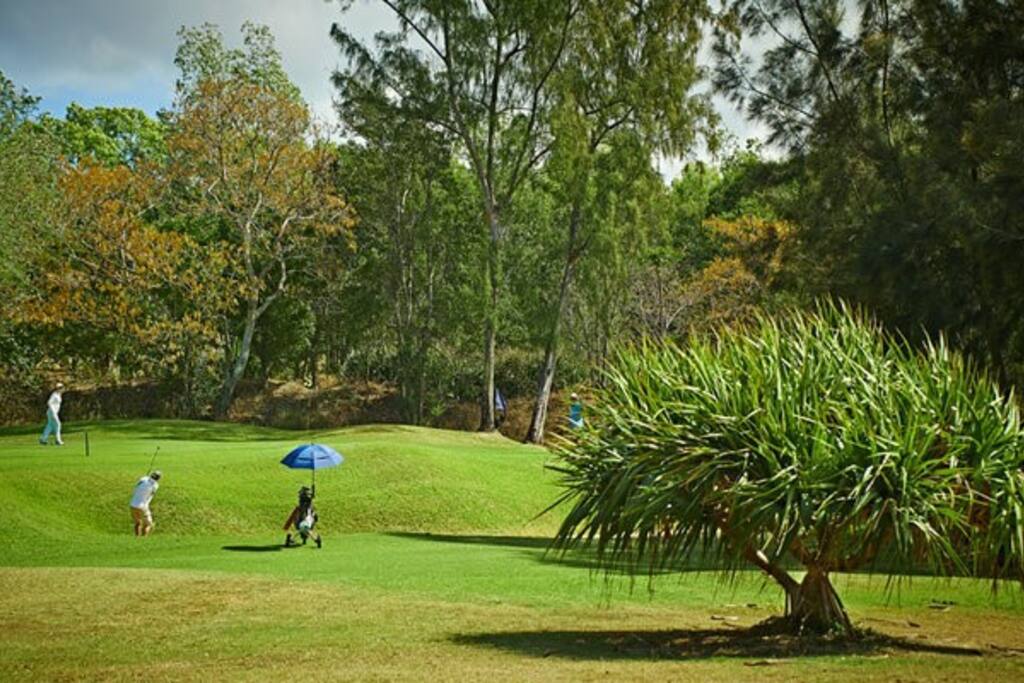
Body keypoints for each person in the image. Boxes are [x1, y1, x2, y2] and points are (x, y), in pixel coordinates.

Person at [130, 471, 161, 536]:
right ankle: (144, 539)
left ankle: (137, 538)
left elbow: (139, 484)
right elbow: (152, 493)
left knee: (137, 523)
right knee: (148, 524)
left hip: (132, 505)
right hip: (143, 506)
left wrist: (146, 477)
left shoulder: (143, 479)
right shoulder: (155, 485)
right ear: (158, 479)